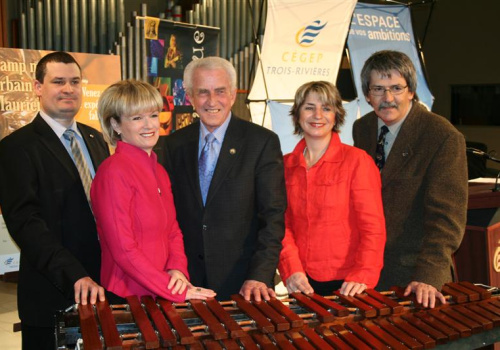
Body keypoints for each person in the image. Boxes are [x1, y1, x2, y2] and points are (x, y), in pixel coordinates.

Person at [0, 51, 109, 349]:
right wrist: (74, 274)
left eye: (74, 81)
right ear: (38, 87)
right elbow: (26, 224)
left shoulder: (95, 138)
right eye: (58, 81)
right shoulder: (16, 148)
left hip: (104, 289)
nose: (68, 89)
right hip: (54, 291)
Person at [157, 57, 286, 301]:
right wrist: (173, 268)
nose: (212, 101)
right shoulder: (173, 144)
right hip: (186, 281)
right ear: (191, 97)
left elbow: (273, 216)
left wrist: (260, 274)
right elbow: (168, 216)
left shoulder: (262, 142)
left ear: (233, 94)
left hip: (244, 284)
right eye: (203, 92)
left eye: (220, 91)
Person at [352, 50, 468, 308]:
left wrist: (428, 276)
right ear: (368, 95)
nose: (388, 98)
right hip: (368, 272)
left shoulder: (442, 136)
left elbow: (447, 219)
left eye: (396, 88)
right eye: (379, 89)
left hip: (416, 276)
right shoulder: (363, 128)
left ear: (411, 91)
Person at [91, 80, 216, 303]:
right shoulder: (113, 172)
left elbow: (172, 230)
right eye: (137, 118)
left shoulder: (159, 170)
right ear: (116, 125)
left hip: (162, 290)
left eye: (153, 115)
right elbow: (123, 250)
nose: (149, 125)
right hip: (129, 295)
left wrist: (177, 271)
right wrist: (172, 289)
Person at [278, 81, 386, 297]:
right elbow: (280, 225)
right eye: (309, 107)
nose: (318, 115)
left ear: (336, 115)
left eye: (326, 108)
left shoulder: (358, 162)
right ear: (297, 115)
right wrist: (292, 269)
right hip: (300, 282)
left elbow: (373, 228)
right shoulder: (284, 166)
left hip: (349, 284)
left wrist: (363, 274)